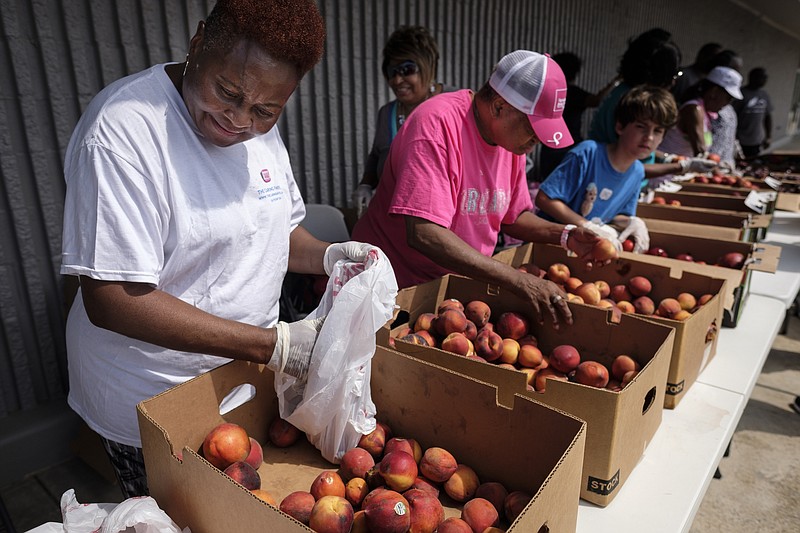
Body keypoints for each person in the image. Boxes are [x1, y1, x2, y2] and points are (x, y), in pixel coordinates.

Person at [60, 0, 382, 498]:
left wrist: (327, 255)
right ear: (198, 43)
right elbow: (112, 297)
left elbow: (277, 230)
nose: (237, 120)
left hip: (238, 386)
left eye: (265, 111)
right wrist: (272, 345)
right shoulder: (125, 132)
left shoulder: (259, 133)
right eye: (227, 91)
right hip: (152, 398)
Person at [352, 50, 609, 328]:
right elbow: (424, 232)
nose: (537, 141)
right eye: (533, 129)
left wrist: (566, 235)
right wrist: (518, 280)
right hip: (395, 291)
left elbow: (512, 216)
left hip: (453, 293)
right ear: (500, 107)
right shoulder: (436, 125)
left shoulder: (511, 141)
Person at [536, 86, 678, 254]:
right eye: (641, 127)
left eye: (658, 130)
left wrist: (631, 222)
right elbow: (544, 199)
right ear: (620, 127)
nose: (649, 137)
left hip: (582, 253)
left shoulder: (637, 172)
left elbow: (616, 215)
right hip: (547, 245)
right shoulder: (588, 153)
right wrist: (585, 224)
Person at [586, 28, 713, 179]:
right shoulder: (634, 103)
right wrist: (680, 166)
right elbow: (629, 167)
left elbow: (637, 148)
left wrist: (667, 158)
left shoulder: (625, 92)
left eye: (658, 131)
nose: (673, 82)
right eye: (673, 74)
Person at [353, 26, 454, 216]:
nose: (398, 80)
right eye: (392, 72)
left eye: (407, 69)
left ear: (429, 67)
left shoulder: (457, 104)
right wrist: (366, 185)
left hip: (446, 222)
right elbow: (376, 156)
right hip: (394, 218)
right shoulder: (387, 113)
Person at [538, 52, 621, 179]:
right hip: (568, 146)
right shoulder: (573, 93)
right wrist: (614, 83)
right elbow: (595, 101)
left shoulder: (551, 91)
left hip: (550, 146)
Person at [659, 66, 743, 158]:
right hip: (669, 167)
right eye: (728, 98)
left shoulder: (705, 112)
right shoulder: (694, 110)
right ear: (714, 92)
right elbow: (700, 151)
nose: (727, 104)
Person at [708, 50, 744, 166]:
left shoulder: (727, 107)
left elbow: (728, 135)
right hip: (712, 168)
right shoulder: (707, 108)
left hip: (727, 167)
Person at [734, 67, 773, 159]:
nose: (765, 80)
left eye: (766, 78)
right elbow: (733, 116)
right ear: (752, 77)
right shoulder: (740, 94)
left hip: (756, 140)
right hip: (741, 140)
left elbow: (768, 116)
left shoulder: (764, 94)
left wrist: (768, 136)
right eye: (762, 77)